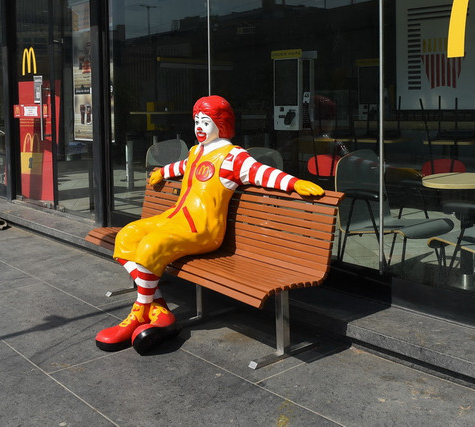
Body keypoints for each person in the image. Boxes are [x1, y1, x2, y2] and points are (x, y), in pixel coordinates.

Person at [96, 95, 324, 354]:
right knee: (127, 235)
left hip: (202, 230)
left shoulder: (233, 156)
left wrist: (294, 183)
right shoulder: (196, 151)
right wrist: (163, 172)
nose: (200, 128)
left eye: (206, 122)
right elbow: (183, 167)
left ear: (222, 123)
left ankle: (139, 313)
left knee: (151, 245)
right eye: (196, 122)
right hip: (175, 219)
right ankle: (157, 308)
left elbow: (263, 173)